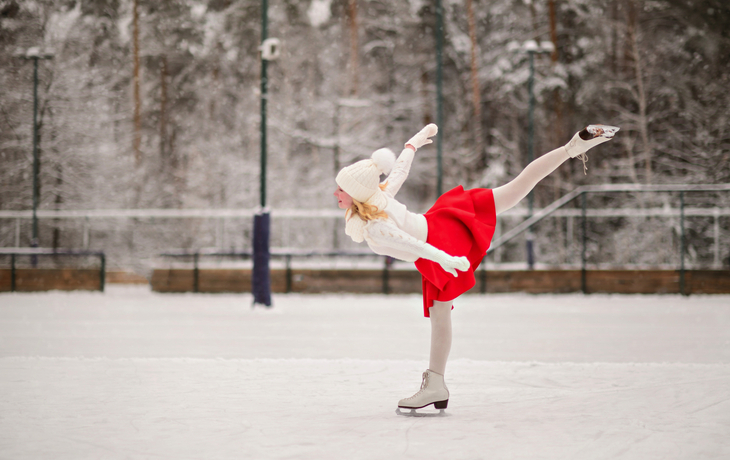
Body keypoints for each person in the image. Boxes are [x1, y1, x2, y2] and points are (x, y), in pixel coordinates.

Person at [333, 123, 618, 411]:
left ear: (357, 193)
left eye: (341, 189)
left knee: (440, 316)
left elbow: (414, 246)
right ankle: (573, 146)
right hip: (443, 222)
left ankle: (435, 383)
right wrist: (411, 146)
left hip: (438, 242)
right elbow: (399, 172)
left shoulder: (374, 226)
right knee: (515, 188)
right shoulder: (378, 197)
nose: (336, 194)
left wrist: (447, 259)